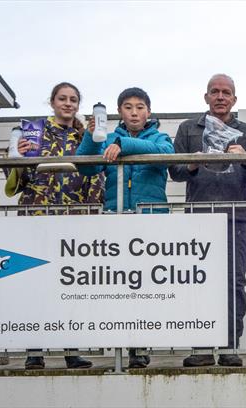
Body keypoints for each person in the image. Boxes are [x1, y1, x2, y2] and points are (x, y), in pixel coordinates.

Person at [4, 82, 104, 370]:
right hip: (37, 215)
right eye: (63, 98)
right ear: (52, 102)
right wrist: (18, 157)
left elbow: (95, 175)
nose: (68, 104)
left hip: (73, 220)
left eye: (73, 99)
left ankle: (71, 350)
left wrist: (91, 214)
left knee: (67, 286)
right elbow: (14, 174)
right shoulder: (31, 131)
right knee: (35, 284)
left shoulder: (85, 135)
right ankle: (34, 351)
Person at [169, 74, 246, 367]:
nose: (221, 97)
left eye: (226, 93)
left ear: (235, 99)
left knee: (234, 282)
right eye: (215, 92)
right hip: (197, 218)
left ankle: (228, 346)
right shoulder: (188, 129)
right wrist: (192, 163)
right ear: (206, 97)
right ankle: (200, 347)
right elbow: (174, 171)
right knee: (198, 282)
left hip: (235, 218)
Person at [77, 87, 174, 368]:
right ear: (120, 111)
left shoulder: (159, 136)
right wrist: (91, 137)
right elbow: (86, 168)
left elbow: (166, 153)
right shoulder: (106, 138)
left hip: (151, 222)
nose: (134, 112)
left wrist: (123, 145)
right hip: (116, 221)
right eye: (128, 107)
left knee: (147, 288)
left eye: (140, 106)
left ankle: (140, 347)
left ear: (149, 112)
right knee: (119, 286)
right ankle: (121, 346)